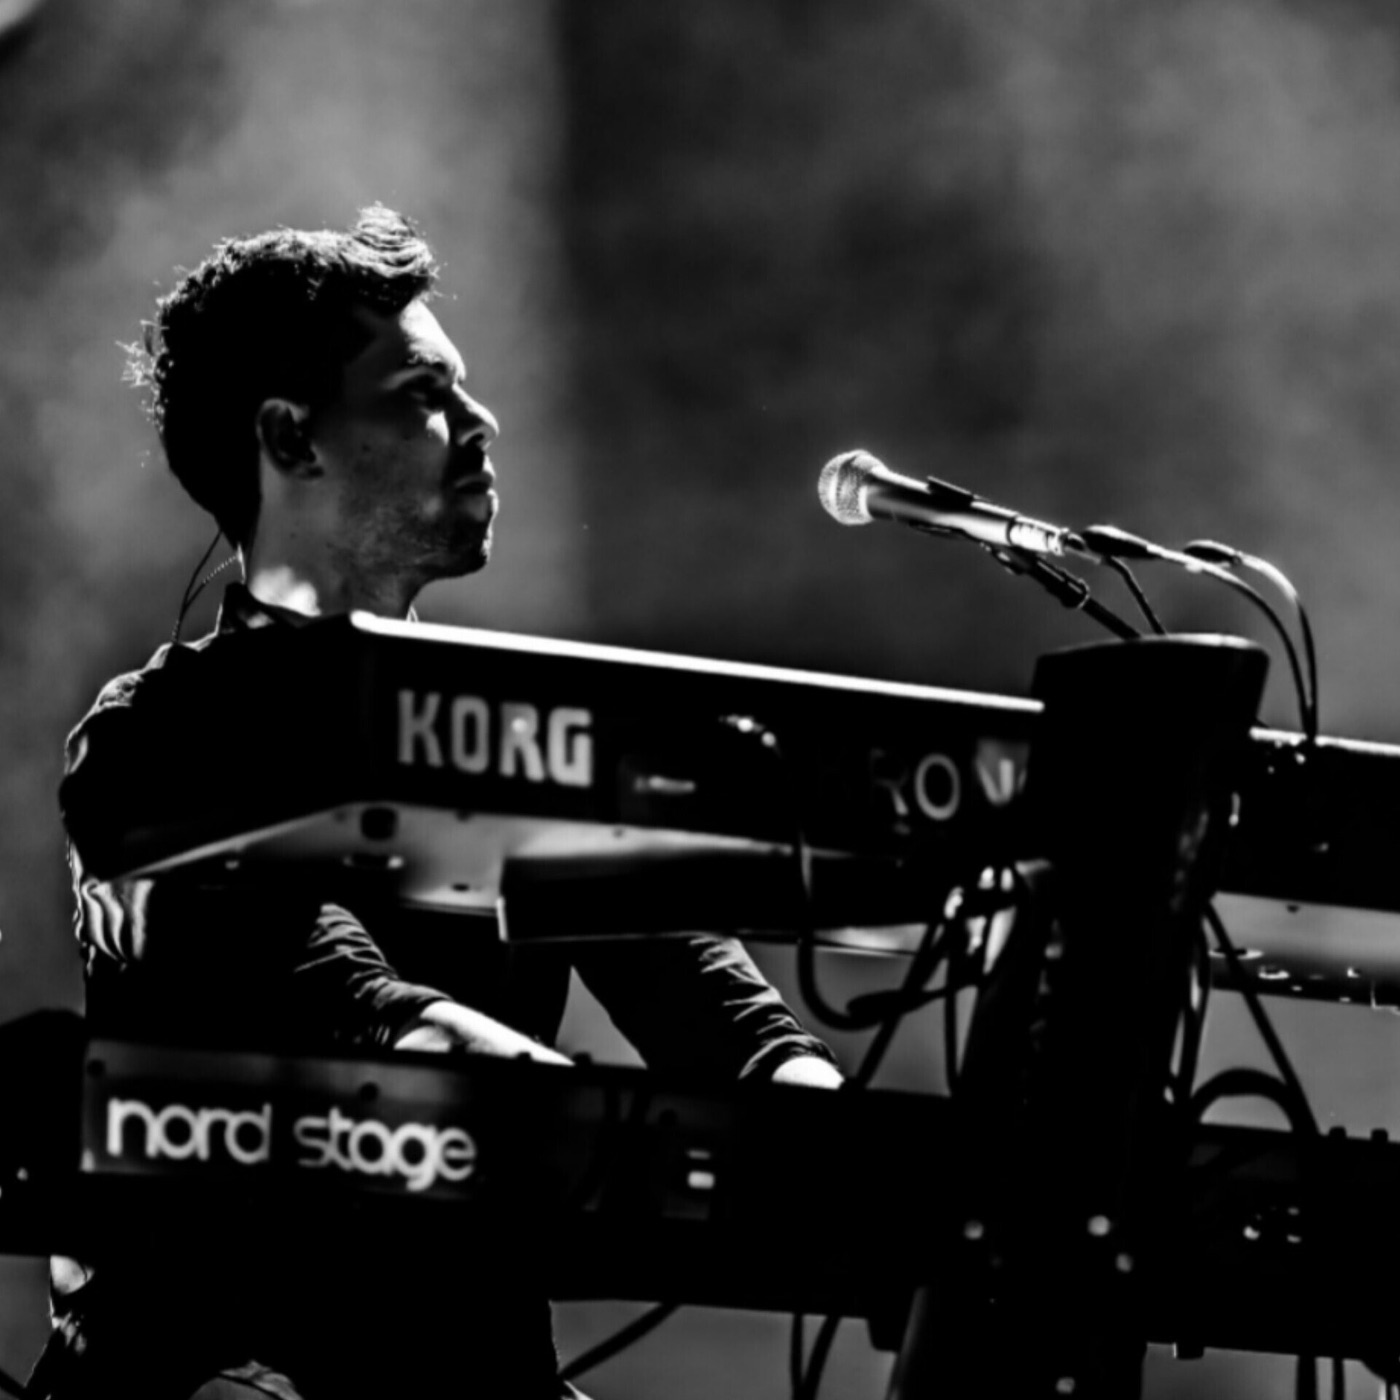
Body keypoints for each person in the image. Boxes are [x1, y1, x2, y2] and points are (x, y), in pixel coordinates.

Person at [32, 205, 842, 1400]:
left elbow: (713, 1009)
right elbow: (344, 1001)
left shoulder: (521, 746)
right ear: (289, 436)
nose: (480, 422)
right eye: (422, 394)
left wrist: (846, 1136)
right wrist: (582, 1121)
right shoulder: (156, 739)